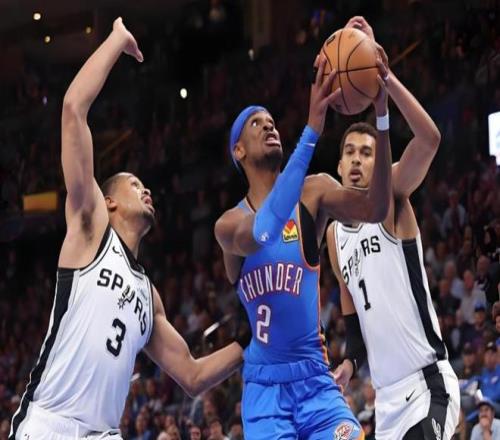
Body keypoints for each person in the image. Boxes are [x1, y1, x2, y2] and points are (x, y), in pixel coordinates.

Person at [9, 18, 246, 440]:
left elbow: (192, 375)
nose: (147, 189)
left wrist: (250, 342)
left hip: (103, 433)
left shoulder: (148, 297)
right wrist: (116, 40)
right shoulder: (90, 229)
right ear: (109, 202)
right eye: (135, 184)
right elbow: (73, 109)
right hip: (50, 424)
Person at [214, 43, 392, 438]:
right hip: (265, 391)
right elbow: (265, 230)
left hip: (315, 380)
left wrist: (381, 116)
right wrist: (312, 130)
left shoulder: (315, 192)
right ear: (238, 150)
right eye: (256, 123)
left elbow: (378, 207)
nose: (269, 126)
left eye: (272, 121)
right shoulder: (228, 225)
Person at [326, 16, 460, 440]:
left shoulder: (392, 197)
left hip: (427, 385)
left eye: (367, 153)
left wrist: (385, 77)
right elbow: (354, 322)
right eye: (350, 152)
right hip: (384, 402)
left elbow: (429, 140)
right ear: (339, 166)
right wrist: (349, 365)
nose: (357, 159)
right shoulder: (333, 237)